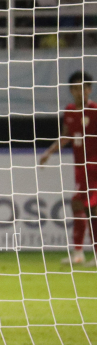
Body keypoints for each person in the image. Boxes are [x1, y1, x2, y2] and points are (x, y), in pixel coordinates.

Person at [40, 70, 97, 266]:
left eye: (83, 88)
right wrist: (49, 152)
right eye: (75, 88)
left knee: (86, 207)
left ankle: (84, 253)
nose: (79, 92)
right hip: (80, 169)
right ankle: (80, 253)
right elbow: (66, 135)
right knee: (82, 208)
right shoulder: (70, 111)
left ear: (89, 89)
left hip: (94, 169)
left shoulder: (95, 111)